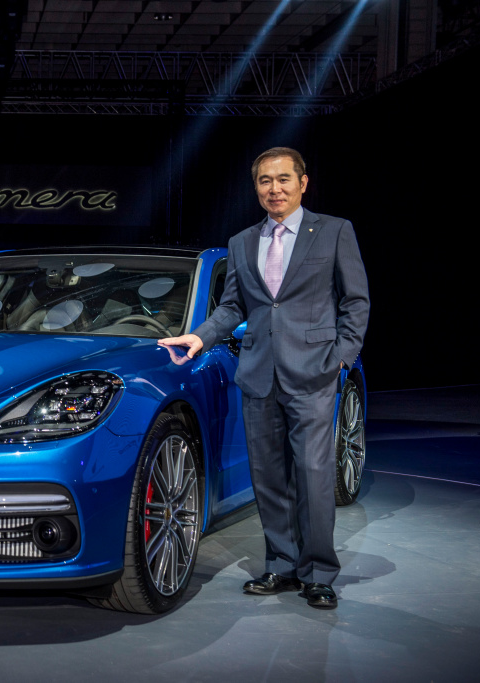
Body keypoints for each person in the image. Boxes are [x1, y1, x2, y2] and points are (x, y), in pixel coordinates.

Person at [159, 147, 368, 609]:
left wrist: (341, 358)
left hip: (314, 373)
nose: (275, 189)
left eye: (283, 179)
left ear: (303, 183)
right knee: (268, 477)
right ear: (256, 188)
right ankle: (281, 564)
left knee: (314, 476)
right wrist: (200, 336)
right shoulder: (242, 241)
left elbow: (355, 300)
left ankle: (318, 573)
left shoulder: (334, 231)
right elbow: (233, 306)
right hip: (257, 374)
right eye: (265, 181)